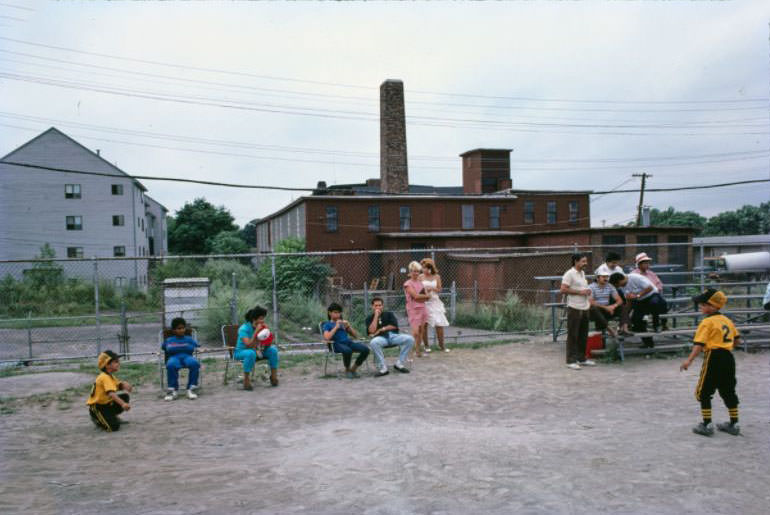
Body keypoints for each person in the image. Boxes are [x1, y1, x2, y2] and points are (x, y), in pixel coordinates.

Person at [680, 289, 741, 436]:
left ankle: (707, 425)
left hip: (713, 357)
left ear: (713, 306)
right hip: (728, 357)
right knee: (728, 390)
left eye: (703, 304)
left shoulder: (707, 322)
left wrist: (689, 360)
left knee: (703, 392)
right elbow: (737, 341)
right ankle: (734, 423)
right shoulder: (727, 320)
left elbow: (699, 345)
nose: (700, 306)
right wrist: (724, 345)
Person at [609, 272, 669, 348]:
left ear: (620, 280)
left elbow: (649, 287)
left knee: (654, 303)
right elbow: (629, 301)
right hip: (640, 301)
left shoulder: (635, 277)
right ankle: (648, 343)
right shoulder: (623, 287)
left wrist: (637, 295)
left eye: (617, 285)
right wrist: (625, 314)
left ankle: (656, 325)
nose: (618, 287)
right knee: (636, 320)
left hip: (652, 295)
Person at [560, 253, 596, 370]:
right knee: (573, 335)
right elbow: (563, 289)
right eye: (583, 261)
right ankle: (570, 361)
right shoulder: (569, 274)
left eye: (586, 261)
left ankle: (581, 358)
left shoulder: (582, 273)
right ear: (576, 261)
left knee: (583, 334)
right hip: (574, 307)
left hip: (584, 307)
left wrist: (586, 292)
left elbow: (582, 288)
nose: (586, 264)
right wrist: (580, 292)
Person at [366, 297, 414, 376]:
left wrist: (382, 329)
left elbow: (394, 326)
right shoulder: (369, 318)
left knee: (410, 339)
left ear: (383, 306)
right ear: (372, 307)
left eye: (380, 305)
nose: (378, 307)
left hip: (393, 336)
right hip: (381, 338)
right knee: (373, 342)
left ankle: (399, 364)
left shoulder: (389, 314)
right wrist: (376, 316)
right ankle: (383, 368)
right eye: (376, 306)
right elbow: (371, 331)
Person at [87, 350, 133, 432]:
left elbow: (118, 385)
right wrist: (123, 404)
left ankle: (111, 416)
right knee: (113, 427)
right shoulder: (104, 377)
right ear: (107, 364)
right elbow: (111, 393)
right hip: (97, 408)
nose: (118, 363)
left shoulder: (109, 376)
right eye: (115, 362)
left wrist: (124, 385)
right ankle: (97, 419)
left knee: (125, 396)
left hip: (106, 404)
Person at [322, 302, 369, 379]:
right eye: (335, 312)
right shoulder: (327, 325)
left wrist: (348, 326)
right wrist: (336, 327)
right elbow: (327, 338)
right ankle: (347, 369)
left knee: (365, 349)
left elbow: (355, 336)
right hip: (335, 344)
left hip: (347, 342)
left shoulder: (343, 323)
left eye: (339, 313)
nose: (338, 315)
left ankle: (353, 369)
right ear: (330, 313)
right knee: (348, 351)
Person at [237, 306, 279, 389]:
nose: (262, 321)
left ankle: (273, 377)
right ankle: (246, 380)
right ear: (254, 319)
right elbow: (248, 345)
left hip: (257, 351)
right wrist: (256, 332)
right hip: (241, 352)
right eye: (260, 318)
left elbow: (267, 344)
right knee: (250, 353)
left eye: (263, 318)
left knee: (273, 350)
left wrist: (268, 336)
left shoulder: (262, 328)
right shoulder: (243, 329)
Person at [162, 317, 200, 401]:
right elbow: (164, 348)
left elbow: (197, 346)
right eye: (179, 328)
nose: (182, 330)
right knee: (171, 365)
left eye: (183, 328)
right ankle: (173, 390)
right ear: (174, 330)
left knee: (195, 363)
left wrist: (199, 349)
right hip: (174, 357)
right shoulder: (169, 340)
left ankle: (191, 389)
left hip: (187, 357)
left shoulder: (189, 339)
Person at [596, 251, 631, 335]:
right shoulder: (601, 269)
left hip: (616, 292)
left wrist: (619, 283)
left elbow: (625, 279)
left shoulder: (618, 269)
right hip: (604, 294)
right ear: (607, 261)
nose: (615, 264)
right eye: (613, 263)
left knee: (624, 306)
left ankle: (623, 328)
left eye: (616, 262)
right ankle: (606, 329)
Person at [419, 257, 450, 353]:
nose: (424, 270)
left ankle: (442, 346)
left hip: (435, 302)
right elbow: (418, 290)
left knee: (439, 324)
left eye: (426, 268)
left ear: (431, 268)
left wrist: (432, 289)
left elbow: (439, 289)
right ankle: (426, 346)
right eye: (423, 268)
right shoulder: (420, 277)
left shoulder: (437, 277)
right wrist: (424, 291)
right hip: (424, 302)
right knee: (424, 325)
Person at [631, 252, 667, 330]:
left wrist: (656, 289)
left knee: (662, 302)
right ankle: (656, 324)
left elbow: (659, 284)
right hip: (641, 297)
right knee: (655, 302)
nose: (647, 265)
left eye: (648, 263)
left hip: (653, 294)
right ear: (639, 264)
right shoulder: (634, 274)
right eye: (645, 263)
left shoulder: (651, 273)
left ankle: (663, 324)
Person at [403, 261, 432, 358]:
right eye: (414, 271)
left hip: (423, 308)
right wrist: (424, 296)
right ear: (410, 272)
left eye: (417, 271)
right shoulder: (407, 284)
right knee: (415, 332)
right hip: (413, 309)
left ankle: (418, 351)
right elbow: (415, 296)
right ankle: (409, 350)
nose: (416, 273)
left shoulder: (421, 283)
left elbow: (428, 297)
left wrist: (423, 296)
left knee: (421, 331)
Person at [588, 265, 623, 338]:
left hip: (608, 310)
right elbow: (591, 302)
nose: (606, 278)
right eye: (603, 277)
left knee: (621, 307)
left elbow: (619, 300)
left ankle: (624, 328)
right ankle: (610, 329)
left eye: (607, 277)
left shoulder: (610, 286)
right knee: (593, 308)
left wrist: (613, 306)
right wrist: (606, 308)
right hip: (596, 312)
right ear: (597, 278)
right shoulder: (591, 287)